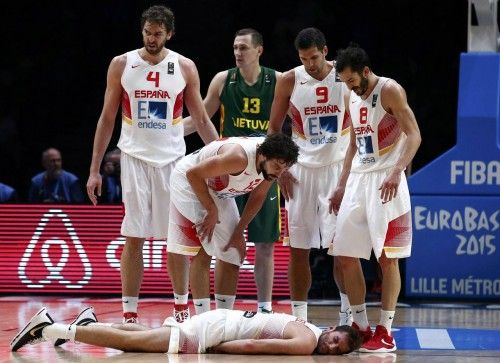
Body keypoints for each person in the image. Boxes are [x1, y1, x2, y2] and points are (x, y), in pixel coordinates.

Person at [86, 5, 219, 324]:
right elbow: (107, 119)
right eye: (147, 32)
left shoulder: (184, 67)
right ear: (142, 30)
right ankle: (129, 313)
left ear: (169, 34)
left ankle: (180, 309)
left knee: (176, 237)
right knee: (133, 236)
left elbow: (200, 118)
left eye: (158, 34)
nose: (152, 38)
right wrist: (94, 169)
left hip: (172, 161)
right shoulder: (122, 64)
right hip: (133, 160)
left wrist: (219, 158)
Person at [173, 28, 281, 316]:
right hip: (230, 167)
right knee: (214, 244)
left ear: (259, 50)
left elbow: (294, 119)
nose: (237, 52)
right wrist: (168, 133)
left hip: (263, 167)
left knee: (263, 243)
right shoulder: (224, 79)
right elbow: (201, 116)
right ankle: (203, 312)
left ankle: (265, 307)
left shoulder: (278, 80)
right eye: (235, 47)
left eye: (243, 47)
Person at [329, 44, 421, 353]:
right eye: (344, 81)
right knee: (343, 253)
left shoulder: (390, 90)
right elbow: (353, 144)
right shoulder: (350, 95)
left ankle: (385, 330)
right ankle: (361, 323)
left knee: (387, 257)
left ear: (366, 71)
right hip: (358, 179)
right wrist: (341, 185)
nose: (349, 87)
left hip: (386, 180)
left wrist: (397, 171)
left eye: (352, 80)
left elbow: (414, 135)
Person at [267, 27, 354, 324]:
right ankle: (299, 319)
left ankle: (347, 317)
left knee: (343, 249)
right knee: (298, 250)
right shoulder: (289, 79)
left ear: (326, 51)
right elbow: (273, 130)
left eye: (314, 58)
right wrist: (281, 170)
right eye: (304, 59)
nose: (310, 64)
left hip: (337, 169)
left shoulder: (345, 77)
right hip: (300, 172)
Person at [166, 134, 299, 322]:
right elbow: (193, 174)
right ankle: (202, 321)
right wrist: (211, 209)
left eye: (284, 169)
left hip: (216, 189)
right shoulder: (239, 158)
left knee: (233, 252)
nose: (279, 173)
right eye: (277, 166)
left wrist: (238, 233)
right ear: (263, 155)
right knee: (205, 248)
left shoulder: (270, 167)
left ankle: (222, 319)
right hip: (189, 181)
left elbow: (257, 198)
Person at [11, 306, 362, 355]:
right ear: (330, 329)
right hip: (214, 331)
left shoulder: (309, 324)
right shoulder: (306, 341)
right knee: (132, 343)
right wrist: (214, 349)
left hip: (218, 319)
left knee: (140, 340)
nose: (331, 348)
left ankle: (87, 323)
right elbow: (253, 346)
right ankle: (50, 327)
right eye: (334, 341)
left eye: (338, 350)